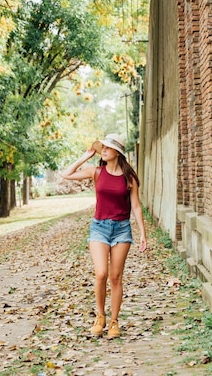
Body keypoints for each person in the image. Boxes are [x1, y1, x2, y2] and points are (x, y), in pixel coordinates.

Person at [61, 133, 147, 339]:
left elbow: (135, 205)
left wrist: (142, 233)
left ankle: (114, 321)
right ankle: (100, 316)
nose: (104, 150)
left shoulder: (129, 178)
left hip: (122, 229)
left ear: (117, 152)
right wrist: (85, 157)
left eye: (108, 148)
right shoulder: (96, 171)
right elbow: (66, 174)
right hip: (99, 227)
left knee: (116, 277)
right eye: (103, 148)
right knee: (101, 274)